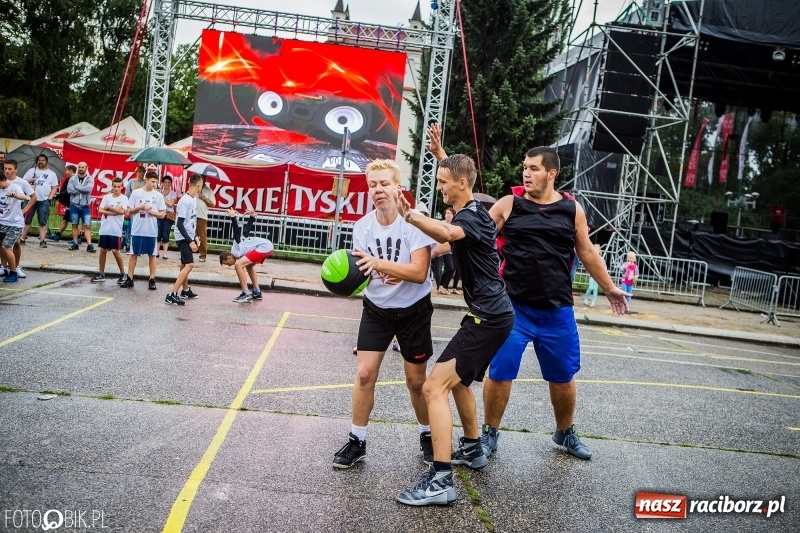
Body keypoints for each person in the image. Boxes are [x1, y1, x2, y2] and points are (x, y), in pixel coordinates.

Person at [393, 153, 514, 506]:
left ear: (462, 184)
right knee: (458, 381)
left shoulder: (468, 216)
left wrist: (410, 215)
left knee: (433, 386)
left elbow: (448, 231)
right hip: (491, 314)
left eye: (444, 181)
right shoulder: (474, 209)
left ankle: (441, 479)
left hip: (488, 317)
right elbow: (461, 178)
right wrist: (441, 153)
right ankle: (474, 448)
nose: (439, 186)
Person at [330, 159, 438, 471]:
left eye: (384, 184)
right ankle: (357, 440)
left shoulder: (414, 222)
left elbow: (419, 272)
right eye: (373, 185)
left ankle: (428, 434)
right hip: (377, 309)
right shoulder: (362, 226)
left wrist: (384, 267)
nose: (379, 190)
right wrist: (376, 271)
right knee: (364, 374)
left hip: (414, 310)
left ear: (397, 187)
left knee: (416, 382)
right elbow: (362, 269)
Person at [120, 171, 166, 290]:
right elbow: (129, 211)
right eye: (152, 181)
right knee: (133, 253)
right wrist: (140, 207)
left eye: (156, 182)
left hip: (151, 230)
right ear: (146, 180)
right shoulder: (136, 193)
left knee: (152, 254)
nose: (154, 184)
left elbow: (162, 214)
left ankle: (152, 279)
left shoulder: (158, 195)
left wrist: (153, 212)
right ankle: (130, 278)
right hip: (137, 229)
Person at [219, 209, 274, 303]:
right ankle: (257, 292)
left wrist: (233, 218)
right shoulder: (239, 248)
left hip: (264, 247)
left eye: (227, 263)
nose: (228, 265)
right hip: (268, 246)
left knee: (238, 265)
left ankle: (246, 294)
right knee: (248, 266)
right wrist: (252, 218)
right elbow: (245, 232)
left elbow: (236, 232)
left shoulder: (235, 251)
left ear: (229, 257)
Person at [165, 174, 201, 306]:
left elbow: (192, 219)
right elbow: (179, 224)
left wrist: (196, 236)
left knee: (184, 264)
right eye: (201, 184)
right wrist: (190, 241)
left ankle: (185, 290)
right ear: (198, 185)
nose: (201, 187)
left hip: (189, 235)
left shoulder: (193, 199)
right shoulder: (185, 200)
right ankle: (171, 294)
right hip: (182, 236)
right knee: (189, 265)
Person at [2, 160, 36, 279]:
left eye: (10, 169)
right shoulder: (1, 181)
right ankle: (3, 266)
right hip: (4, 218)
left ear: (16, 169)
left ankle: (16, 267)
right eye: (5, 168)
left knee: (15, 243)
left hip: (15, 220)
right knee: (2, 244)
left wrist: (25, 209)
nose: (7, 171)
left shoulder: (21, 183)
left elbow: (33, 197)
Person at [92, 178, 128, 283]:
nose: (116, 189)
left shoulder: (124, 198)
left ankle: (122, 273)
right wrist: (112, 212)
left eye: (118, 187)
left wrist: (109, 208)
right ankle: (101, 273)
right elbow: (100, 209)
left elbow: (121, 211)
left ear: (122, 187)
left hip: (115, 229)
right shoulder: (107, 197)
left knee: (115, 251)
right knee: (103, 250)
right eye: (114, 186)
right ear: (112, 186)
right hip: (105, 228)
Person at [23, 154, 58, 248]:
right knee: (26, 219)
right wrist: (29, 181)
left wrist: (50, 198)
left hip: (43, 200)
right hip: (30, 199)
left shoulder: (52, 173)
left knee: (43, 220)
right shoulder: (31, 171)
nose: (41, 162)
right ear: (36, 161)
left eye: (43, 160)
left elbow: (54, 187)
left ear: (46, 162)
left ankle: (43, 240)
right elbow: (23, 182)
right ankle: (22, 238)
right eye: (39, 160)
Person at [67, 161, 95, 252]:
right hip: (74, 205)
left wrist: (77, 187)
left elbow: (88, 189)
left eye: (83, 167)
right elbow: (69, 190)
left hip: (85, 206)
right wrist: (82, 190)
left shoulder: (90, 179)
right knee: (74, 224)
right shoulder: (72, 179)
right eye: (79, 167)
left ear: (86, 168)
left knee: (87, 225)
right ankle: (75, 243)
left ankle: (89, 245)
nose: (81, 169)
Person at [48, 165, 76, 241]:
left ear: (71, 171)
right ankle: (57, 235)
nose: (65, 172)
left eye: (67, 170)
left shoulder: (73, 180)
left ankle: (77, 238)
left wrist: (58, 196)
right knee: (66, 220)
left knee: (73, 222)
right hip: (69, 203)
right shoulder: (70, 179)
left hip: (72, 203)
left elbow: (67, 191)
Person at [124, 166, 147, 252]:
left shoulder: (145, 183)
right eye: (139, 171)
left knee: (141, 226)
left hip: (142, 208)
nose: (141, 173)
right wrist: (127, 206)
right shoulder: (131, 182)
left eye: (143, 172)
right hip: (133, 207)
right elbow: (127, 194)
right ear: (136, 172)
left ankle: (140, 245)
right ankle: (129, 244)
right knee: (132, 226)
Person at [438, 207, 459, 295]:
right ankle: (440, 285)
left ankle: (445, 287)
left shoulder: (455, 224)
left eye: (450, 213)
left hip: (453, 249)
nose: (448, 215)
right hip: (444, 248)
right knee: (450, 267)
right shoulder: (441, 224)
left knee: (452, 269)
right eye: (447, 213)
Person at [157, 175, 177, 259]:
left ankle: (165, 253)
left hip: (168, 216)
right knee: (158, 233)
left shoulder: (173, 193)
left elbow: (170, 203)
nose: (167, 184)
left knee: (165, 234)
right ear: (162, 183)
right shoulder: (158, 192)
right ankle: (156, 252)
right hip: (159, 214)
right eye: (165, 182)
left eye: (169, 182)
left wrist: (161, 196)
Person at [196, 177, 215, 262]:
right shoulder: (193, 187)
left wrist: (203, 198)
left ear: (205, 180)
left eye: (203, 179)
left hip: (202, 216)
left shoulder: (208, 190)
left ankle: (203, 255)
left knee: (202, 236)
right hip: (191, 215)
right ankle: (186, 252)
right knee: (188, 234)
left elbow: (212, 204)